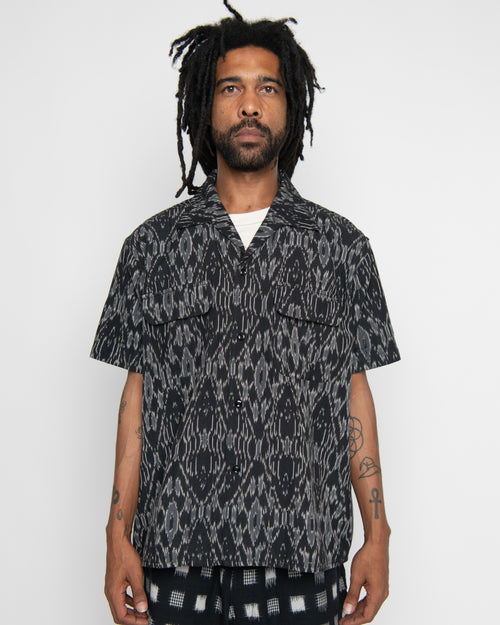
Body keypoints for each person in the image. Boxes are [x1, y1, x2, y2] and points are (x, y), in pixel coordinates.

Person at [90, 2, 400, 624]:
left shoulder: (340, 248)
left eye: (268, 89)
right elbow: (136, 401)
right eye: (231, 88)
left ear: (292, 107)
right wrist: (116, 533)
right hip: (175, 555)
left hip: (303, 555)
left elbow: (354, 395)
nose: (250, 105)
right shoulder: (152, 247)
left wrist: (378, 533)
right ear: (205, 107)